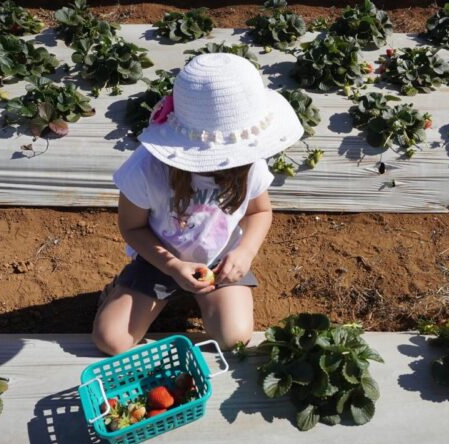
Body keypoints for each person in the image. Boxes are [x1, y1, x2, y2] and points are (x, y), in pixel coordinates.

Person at [92, 53, 303, 355]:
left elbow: (260, 211)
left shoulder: (248, 164)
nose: (223, 168)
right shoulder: (146, 170)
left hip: (220, 261)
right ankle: (119, 292)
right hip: (159, 261)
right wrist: (173, 266)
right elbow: (132, 227)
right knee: (110, 341)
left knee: (235, 339)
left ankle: (206, 298)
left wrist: (244, 252)